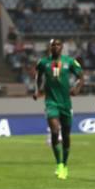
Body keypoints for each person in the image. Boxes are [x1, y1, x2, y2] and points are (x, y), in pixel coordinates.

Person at [34, 38, 84, 180]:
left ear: (62, 47)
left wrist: (77, 88)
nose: (55, 47)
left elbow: (81, 76)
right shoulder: (43, 63)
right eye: (52, 45)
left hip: (66, 104)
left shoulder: (69, 62)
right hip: (51, 103)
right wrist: (38, 90)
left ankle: (65, 164)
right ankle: (59, 164)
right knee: (55, 131)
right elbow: (38, 77)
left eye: (58, 44)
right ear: (49, 47)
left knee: (67, 136)